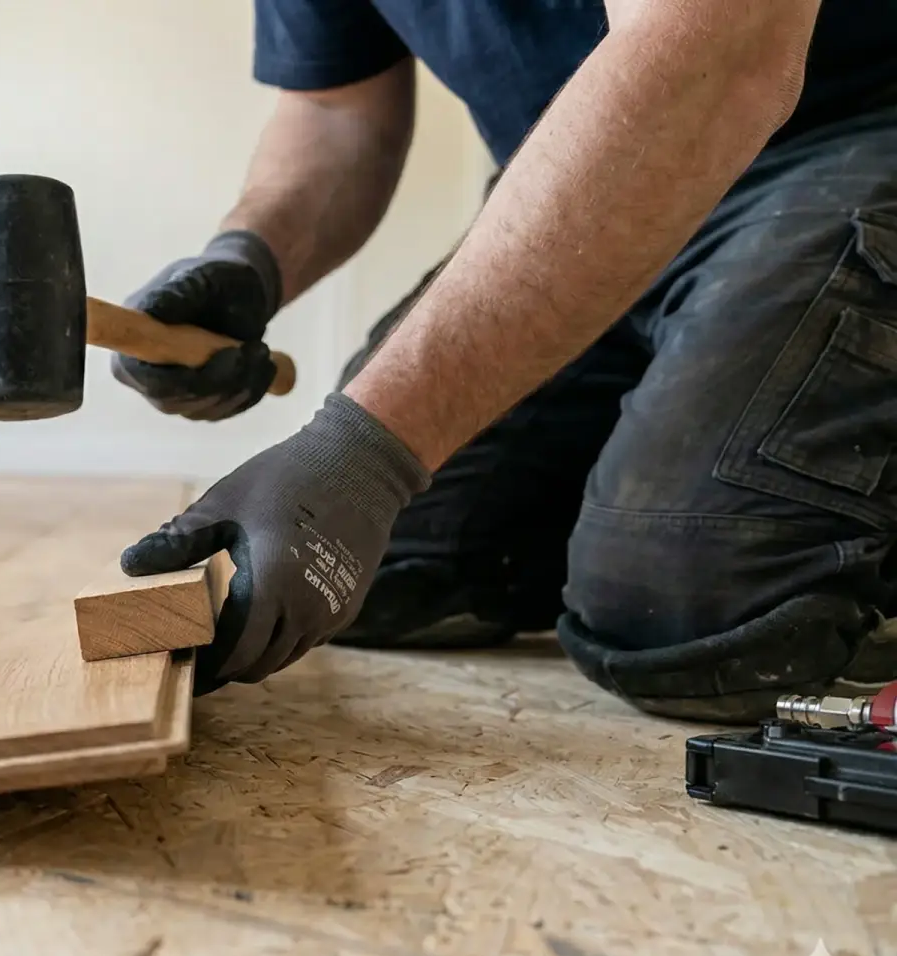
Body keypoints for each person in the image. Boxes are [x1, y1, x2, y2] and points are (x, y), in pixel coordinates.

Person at [112, 0, 897, 724]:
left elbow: (720, 51)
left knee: (699, 602)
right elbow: (335, 111)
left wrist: (363, 453)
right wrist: (251, 258)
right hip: (607, 186)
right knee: (377, 569)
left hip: (848, 138)